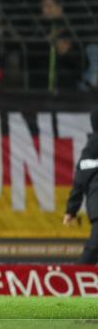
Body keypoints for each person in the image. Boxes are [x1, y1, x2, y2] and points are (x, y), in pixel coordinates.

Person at [63, 106, 98, 264]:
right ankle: (76, 278)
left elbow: (79, 180)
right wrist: (71, 209)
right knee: (94, 247)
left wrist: (71, 209)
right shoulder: (94, 146)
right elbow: (81, 179)